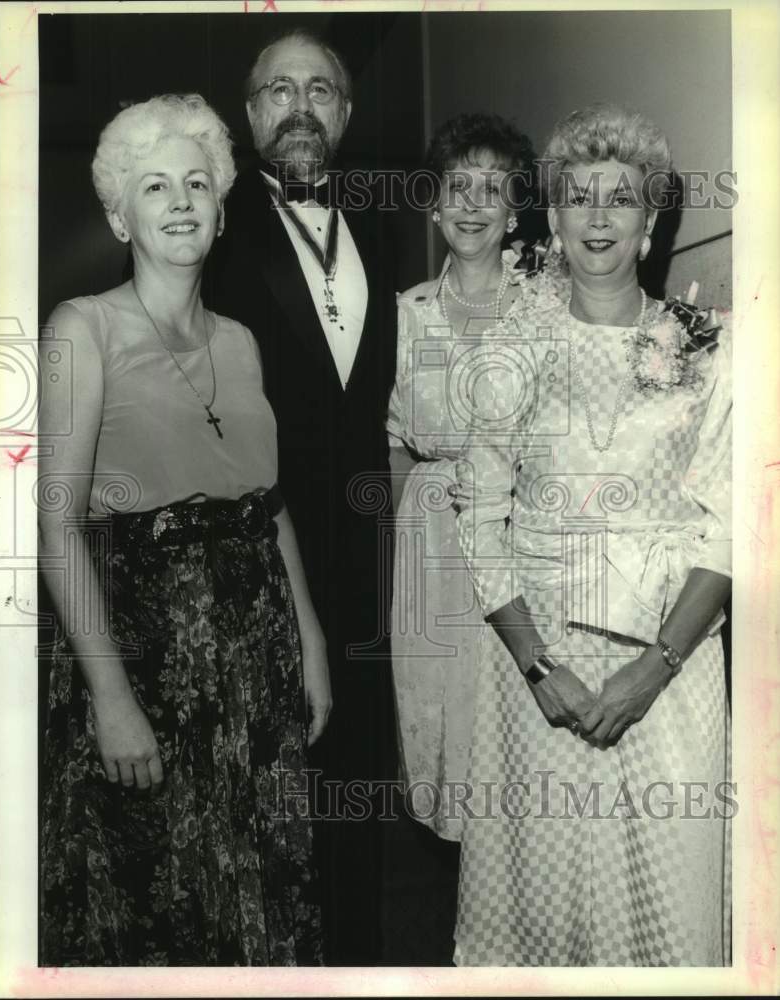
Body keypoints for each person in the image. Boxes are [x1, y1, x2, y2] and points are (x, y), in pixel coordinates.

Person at [38, 94, 330, 966]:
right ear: (118, 214)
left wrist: (309, 641)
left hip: (256, 649)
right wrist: (111, 697)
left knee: (262, 894)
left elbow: (265, 505)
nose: (178, 201)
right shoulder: (81, 329)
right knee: (155, 907)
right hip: (143, 655)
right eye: (153, 185)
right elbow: (54, 529)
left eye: (197, 183)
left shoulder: (240, 341)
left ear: (221, 206)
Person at [454, 103, 732, 966]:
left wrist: (656, 665)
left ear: (650, 222)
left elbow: (730, 526)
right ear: (554, 217)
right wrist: (538, 663)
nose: (599, 216)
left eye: (621, 198)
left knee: (661, 893)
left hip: (669, 665)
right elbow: (477, 511)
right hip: (541, 672)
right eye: (579, 197)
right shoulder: (511, 342)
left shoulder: (704, 347)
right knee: (542, 902)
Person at [204, 29, 397, 965]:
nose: (300, 107)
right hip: (256, 542)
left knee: (357, 772)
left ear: (347, 114)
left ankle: (355, 958)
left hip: (370, 550)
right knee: (263, 786)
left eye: (321, 90)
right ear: (249, 115)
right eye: (278, 90)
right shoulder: (210, 224)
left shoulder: (388, 221)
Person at [388, 113, 535, 842]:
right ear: (433, 203)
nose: (472, 205)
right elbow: (388, 444)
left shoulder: (546, 306)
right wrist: (395, 556)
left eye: (492, 189)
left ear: (514, 212)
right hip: (430, 544)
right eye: (457, 187)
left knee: (519, 722)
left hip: (520, 538)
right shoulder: (404, 317)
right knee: (447, 724)